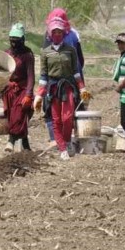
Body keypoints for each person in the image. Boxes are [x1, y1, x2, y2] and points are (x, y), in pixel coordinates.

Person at [35, 16, 87, 160]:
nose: (57, 34)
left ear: (64, 33)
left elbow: (76, 70)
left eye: (60, 32)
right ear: (50, 34)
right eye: (54, 32)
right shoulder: (45, 52)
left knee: (67, 117)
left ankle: (68, 140)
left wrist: (82, 88)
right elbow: (44, 75)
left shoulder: (70, 50)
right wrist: (39, 95)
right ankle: (62, 148)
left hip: (68, 87)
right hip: (53, 89)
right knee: (56, 119)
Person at [0, 23, 35, 152]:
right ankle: (26, 146)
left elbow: (31, 76)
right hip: (10, 89)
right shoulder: (6, 53)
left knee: (19, 115)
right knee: (11, 116)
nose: (14, 42)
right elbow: (2, 72)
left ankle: (11, 140)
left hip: (23, 88)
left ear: (22, 39)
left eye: (17, 39)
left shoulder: (27, 54)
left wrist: (28, 94)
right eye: (12, 39)